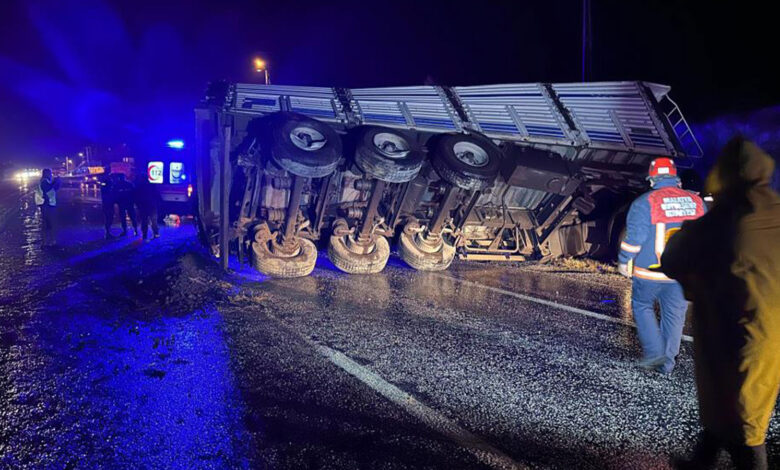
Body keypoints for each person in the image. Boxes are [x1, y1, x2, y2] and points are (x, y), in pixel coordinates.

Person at [663, 137, 780, 470]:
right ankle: (700, 462)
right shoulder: (775, 210)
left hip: (731, 333)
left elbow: (673, 257)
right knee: (738, 409)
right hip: (770, 332)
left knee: (743, 424)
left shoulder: (723, 219)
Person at [617, 157, 706, 374]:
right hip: (682, 274)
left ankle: (655, 353)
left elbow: (633, 241)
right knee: (674, 316)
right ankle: (666, 364)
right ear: (676, 178)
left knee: (642, 306)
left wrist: (623, 261)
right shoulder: (697, 203)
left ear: (652, 179)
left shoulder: (643, 203)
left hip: (650, 273)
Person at [34, 168, 61, 247]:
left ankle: (48, 241)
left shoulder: (46, 181)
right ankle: (49, 241)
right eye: (50, 173)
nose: (51, 175)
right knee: (49, 223)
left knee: (48, 223)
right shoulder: (44, 181)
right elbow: (48, 189)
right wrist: (55, 182)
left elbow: (53, 190)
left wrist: (57, 183)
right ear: (46, 174)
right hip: (47, 205)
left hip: (48, 204)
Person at [134, 173, 160, 241]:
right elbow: (157, 195)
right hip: (152, 206)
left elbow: (135, 197)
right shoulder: (152, 185)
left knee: (144, 221)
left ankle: (144, 235)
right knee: (154, 220)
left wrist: (138, 205)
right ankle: (156, 233)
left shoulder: (139, 187)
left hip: (143, 207)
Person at [99, 170, 116, 238]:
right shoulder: (105, 181)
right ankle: (107, 233)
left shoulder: (108, 181)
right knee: (108, 217)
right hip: (107, 202)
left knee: (110, 217)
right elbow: (105, 189)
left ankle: (108, 232)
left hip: (109, 202)